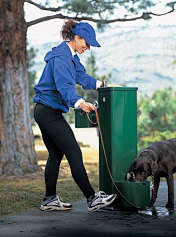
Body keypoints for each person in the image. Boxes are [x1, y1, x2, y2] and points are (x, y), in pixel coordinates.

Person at [33, 20, 117, 212]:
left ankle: (49, 199)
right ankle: (92, 198)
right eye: (87, 43)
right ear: (77, 37)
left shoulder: (70, 57)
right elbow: (65, 87)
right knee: (74, 152)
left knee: (55, 154)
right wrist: (79, 103)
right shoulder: (62, 57)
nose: (88, 48)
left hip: (45, 111)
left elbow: (82, 77)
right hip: (48, 112)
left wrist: (102, 84)